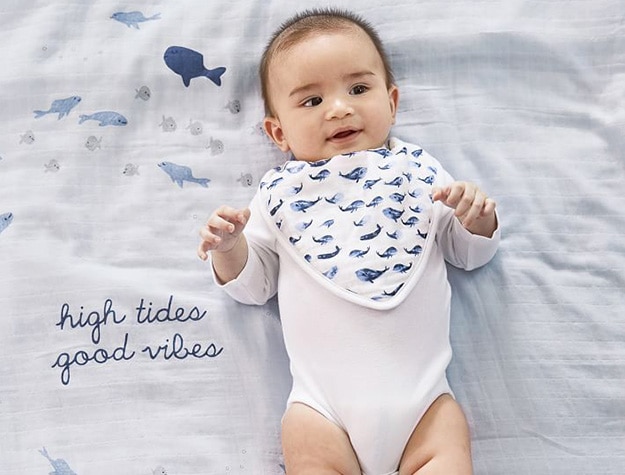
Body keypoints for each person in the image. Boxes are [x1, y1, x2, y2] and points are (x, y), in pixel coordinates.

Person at [198, 8, 500, 475]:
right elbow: (254, 287)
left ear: (392, 102)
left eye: (358, 89)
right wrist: (230, 247)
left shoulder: (417, 171)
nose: (339, 108)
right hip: (322, 409)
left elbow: (466, 254)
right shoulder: (279, 194)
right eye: (311, 101)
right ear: (278, 132)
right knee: (306, 446)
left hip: (424, 406)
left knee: (449, 451)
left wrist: (475, 220)